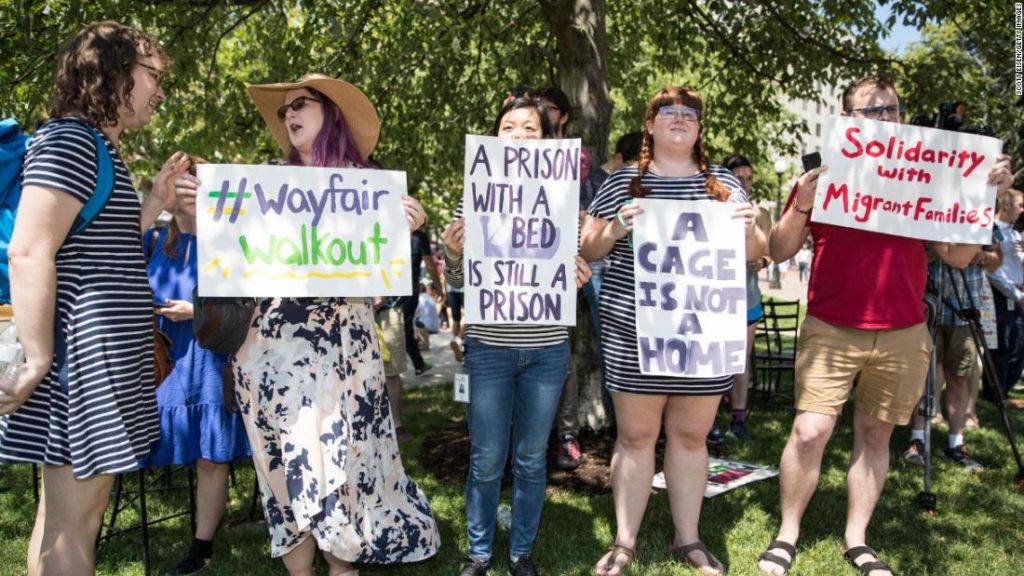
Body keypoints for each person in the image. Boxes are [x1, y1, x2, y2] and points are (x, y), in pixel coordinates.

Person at [757, 75, 1013, 576]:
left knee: (875, 435)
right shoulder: (823, 174)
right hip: (831, 325)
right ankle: (787, 534)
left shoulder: (925, 177)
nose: (886, 119)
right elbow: (779, 250)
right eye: (873, 112)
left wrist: (981, 195)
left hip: (902, 328)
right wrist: (804, 203)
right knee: (810, 432)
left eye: (892, 110)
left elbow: (958, 256)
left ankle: (857, 540)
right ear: (849, 120)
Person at [211, 73, 438, 576]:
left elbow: (379, 288)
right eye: (283, 109)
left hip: (341, 354)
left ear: (329, 111)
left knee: (337, 469)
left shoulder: (370, 186)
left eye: (300, 104)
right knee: (284, 473)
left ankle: (343, 568)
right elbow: (232, 261)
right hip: (269, 355)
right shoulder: (266, 185)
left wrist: (400, 231)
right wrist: (200, 212)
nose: (288, 114)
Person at [0, 21, 191, 575]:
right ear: (111, 72)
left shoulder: (94, 145)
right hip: (77, 366)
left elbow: (97, 250)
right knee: (72, 528)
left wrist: (153, 202)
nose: (159, 89)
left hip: (94, 361)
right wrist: (35, 360)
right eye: (152, 75)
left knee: (68, 517)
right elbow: (30, 250)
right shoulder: (72, 140)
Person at [581, 86, 766, 576]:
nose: (680, 119)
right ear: (650, 124)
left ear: (699, 128)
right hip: (633, 332)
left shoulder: (722, 183)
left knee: (690, 436)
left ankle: (688, 539)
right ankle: (625, 543)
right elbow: (590, 247)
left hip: (703, 333)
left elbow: (756, 251)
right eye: (669, 112)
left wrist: (751, 227)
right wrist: (618, 224)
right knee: (636, 437)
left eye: (690, 114)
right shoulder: (624, 181)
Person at [443, 96, 592, 576]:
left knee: (531, 458)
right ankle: (479, 554)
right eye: (510, 126)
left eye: (531, 127)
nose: (520, 134)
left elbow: (569, 262)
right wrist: (450, 254)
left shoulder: (566, 200)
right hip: (489, 347)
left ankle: (522, 554)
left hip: (547, 349)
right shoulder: (476, 192)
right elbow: (458, 278)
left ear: (547, 139)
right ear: (495, 138)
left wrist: (577, 272)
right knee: (487, 458)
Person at [142, 157, 253, 575]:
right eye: (181, 179)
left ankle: (200, 547)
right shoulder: (152, 240)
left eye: (197, 180)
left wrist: (197, 311)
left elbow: (249, 304)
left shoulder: (229, 246)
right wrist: (156, 199)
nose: (188, 186)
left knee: (210, 457)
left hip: (208, 360)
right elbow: (108, 257)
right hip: (159, 363)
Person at [903, 242, 1000, 473]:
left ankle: (956, 444)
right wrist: (943, 253)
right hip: (929, 304)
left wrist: (981, 256)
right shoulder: (930, 212)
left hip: (965, 309)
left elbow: (997, 259)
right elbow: (910, 257)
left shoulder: (978, 216)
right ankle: (917, 439)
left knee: (959, 377)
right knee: (924, 374)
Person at [720, 153, 773, 441]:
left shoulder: (759, 213)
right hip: (713, 299)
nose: (745, 183)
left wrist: (762, 262)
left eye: (749, 178)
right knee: (713, 360)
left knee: (740, 359)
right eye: (739, 178)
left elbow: (770, 252)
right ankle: (710, 417)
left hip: (747, 298)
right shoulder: (709, 209)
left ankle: (739, 419)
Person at [986, 188, 1024, 401]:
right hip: (1000, 295)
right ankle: (995, 395)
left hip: (1017, 294)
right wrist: (1015, 295)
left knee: (1018, 347)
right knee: (999, 346)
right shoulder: (991, 228)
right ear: (1006, 205)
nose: (1022, 210)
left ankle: (1003, 391)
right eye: (1020, 205)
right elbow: (994, 271)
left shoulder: (1016, 234)